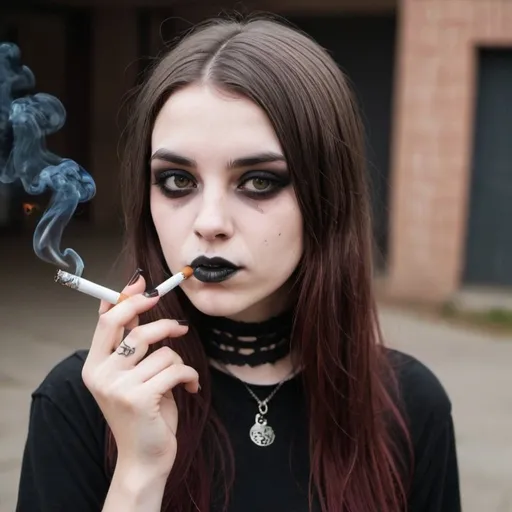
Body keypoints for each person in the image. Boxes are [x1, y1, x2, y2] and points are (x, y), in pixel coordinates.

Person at [15, 15, 461, 512]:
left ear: (327, 197)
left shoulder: (410, 405)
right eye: (178, 181)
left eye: (259, 181)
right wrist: (138, 476)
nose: (209, 224)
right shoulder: (79, 405)